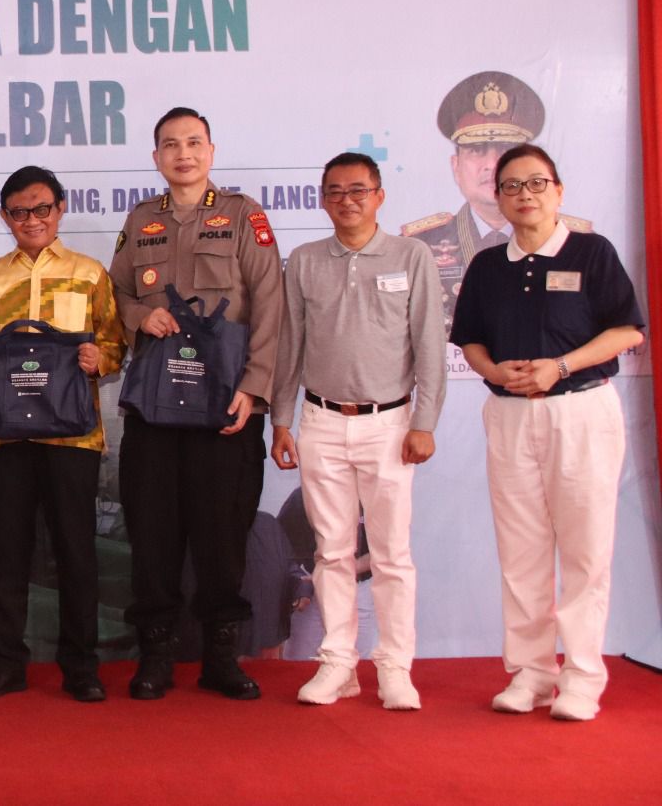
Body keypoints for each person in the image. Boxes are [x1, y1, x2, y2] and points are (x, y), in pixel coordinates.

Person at [451, 144, 643, 721]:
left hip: (580, 412)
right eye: (512, 186)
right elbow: (470, 339)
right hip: (510, 417)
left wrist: (560, 366)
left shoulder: (591, 251)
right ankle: (531, 674)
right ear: (499, 197)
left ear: (558, 190)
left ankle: (582, 678)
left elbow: (628, 331)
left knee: (585, 551)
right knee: (521, 552)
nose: (524, 195)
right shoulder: (488, 265)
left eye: (537, 183)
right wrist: (491, 371)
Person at [109, 106, 283, 701]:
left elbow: (270, 306)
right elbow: (117, 294)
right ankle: (155, 655)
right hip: (156, 408)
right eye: (169, 145)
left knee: (222, 535)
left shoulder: (243, 217)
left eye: (193, 143)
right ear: (155, 157)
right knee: (153, 534)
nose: (182, 154)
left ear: (211, 151)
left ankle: (221, 658)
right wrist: (139, 314)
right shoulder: (140, 220)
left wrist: (256, 387)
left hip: (224, 407)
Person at [270, 152, 447, 709]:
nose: (347, 201)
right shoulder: (303, 260)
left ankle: (395, 666)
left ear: (379, 195)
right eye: (335, 192)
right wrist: (281, 418)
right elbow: (290, 347)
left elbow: (431, 349)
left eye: (358, 190)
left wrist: (425, 422)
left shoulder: (411, 255)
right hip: (320, 421)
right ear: (323, 199)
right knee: (332, 552)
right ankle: (337, 664)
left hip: (390, 424)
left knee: (392, 553)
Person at [0, 165, 126, 703]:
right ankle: (6, 664)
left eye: (41, 208)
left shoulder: (90, 274)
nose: (31, 220)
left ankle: (80, 667)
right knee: (6, 553)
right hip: (2, 438)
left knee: (75, 550)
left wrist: (98, 358)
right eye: (18, 211)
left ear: (60, 209)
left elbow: (116, 345)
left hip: (72, 437)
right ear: (4, 216)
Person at [401, 72, 590, 329]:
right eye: (476, 151)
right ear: (455, 166)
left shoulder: (577, 243)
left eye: (504, 150)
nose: (491, 165)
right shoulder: (421, 244)